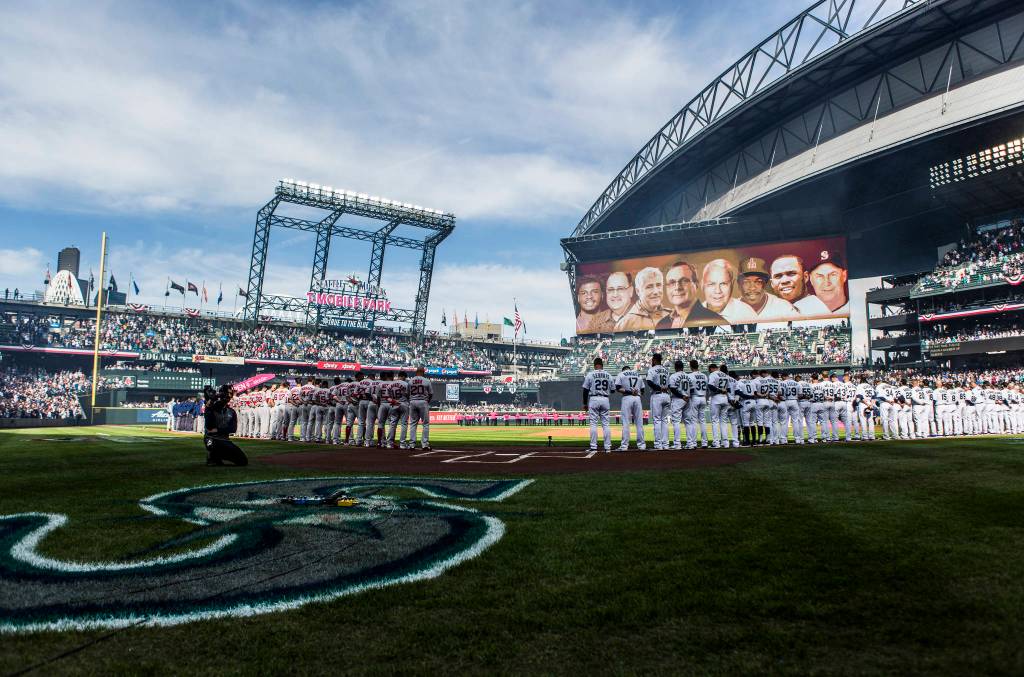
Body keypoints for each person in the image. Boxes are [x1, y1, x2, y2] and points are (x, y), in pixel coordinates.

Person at [655, 261, 726, 329]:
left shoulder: (715, 320)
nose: (677, 287)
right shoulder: (661, 324)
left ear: (696, 285)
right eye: (672, 282)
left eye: (684, 281)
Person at [729, 257, 797, 324]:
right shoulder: (730, 310)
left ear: (765, 284)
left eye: (758, 282)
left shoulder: (783, 307)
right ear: (739, 285)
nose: (752, 288)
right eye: (746, 282)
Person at [202, 385, 247, 466]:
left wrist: (218, 430)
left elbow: (233, 429)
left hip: (225, 440)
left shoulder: (231, 411)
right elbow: (209, 426)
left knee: (243, 461)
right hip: (212, 439)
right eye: (228, 393)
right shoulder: (213, 408)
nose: (229, 396)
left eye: (230, 393)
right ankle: (212, 456)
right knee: (213, 446)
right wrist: (210, 401)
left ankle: (217, 457)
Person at [614, 267, 668, 331]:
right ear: (638, 291)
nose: (656, 292)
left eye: (658, 285)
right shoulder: (625, 324)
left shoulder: (672, 316)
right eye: (649, 287)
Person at [800, 251, 849, 315]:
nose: (826, 282)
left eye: (833, 275)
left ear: (844, 276)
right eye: (820, 276)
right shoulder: (798, 310)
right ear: (811, 279)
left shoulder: (857, 307)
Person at [700, 258, 748, 325]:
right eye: (711, 284)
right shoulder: (692, 315)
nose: (717, 291)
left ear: (732, 285)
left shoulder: (747, 313)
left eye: (723, 284)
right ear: (702, 285)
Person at [582, 357, 613, 452]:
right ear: (602, 365)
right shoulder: (608, 375)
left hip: (594, 399)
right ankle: (607, 447)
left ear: (595, 365)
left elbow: (585, 390)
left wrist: (584, 403)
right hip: (605, 399)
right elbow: (613, 389)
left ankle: (593, 447)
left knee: (593, 424)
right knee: (606, 424)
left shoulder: (590, 374)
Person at [614, 362, 645, 451]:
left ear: (623, 369)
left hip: (627, 398)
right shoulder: (637, 375)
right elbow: (643, 390)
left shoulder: (621, 374)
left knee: (626, 422)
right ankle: (642, 445)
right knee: (639, 423)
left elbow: (618, 388)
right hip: (637, 398)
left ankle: (624, 446)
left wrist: (629, 392)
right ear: (629, 369)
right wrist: (637, 393)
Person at [646, 353, 671, 450]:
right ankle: (665, 444)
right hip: (666, 395)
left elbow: (649, 382)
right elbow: (669, 384)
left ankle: (658, 444)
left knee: (657, 420)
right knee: (664, 420)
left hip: (657, 395)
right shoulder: (666, 370)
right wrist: (664, 388)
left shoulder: (652, 369)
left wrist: (659, 388)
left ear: (654, 360)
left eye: (652, 359)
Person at [407, 366, 432, 450]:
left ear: (416, 372)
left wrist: (411, 400)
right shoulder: (426, 381)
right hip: (423, 401)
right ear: (423, 372)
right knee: (425, 424)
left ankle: (412, 444)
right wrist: (427, 401)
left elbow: (407, 393)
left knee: (413, 423)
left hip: (412, 402)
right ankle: (424, 444)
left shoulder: (410, 381)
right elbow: (431, 394)